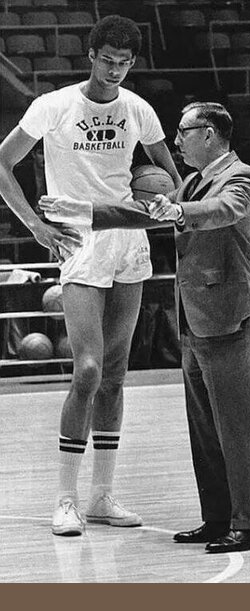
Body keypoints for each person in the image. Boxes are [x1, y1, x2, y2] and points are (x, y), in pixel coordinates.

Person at [40, 101, 250, 554]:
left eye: (183, 131)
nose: (176, 141)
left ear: (209, 134)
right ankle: (217, 517)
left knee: (237, 431)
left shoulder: (242, 177)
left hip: (232, 318)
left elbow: (222, 211)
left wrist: (180, 212)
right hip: (195, 320)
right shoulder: (191, 182)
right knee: (204, 432)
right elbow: (141, 215)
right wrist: (83, 211)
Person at [0, 15, 181, 537]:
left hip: (130, 241)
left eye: (124, 64)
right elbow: (3, 161)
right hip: (80, 242)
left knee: (118, 372)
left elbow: (169, 176)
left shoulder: (138, 110)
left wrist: (160, 198)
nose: (115, 71)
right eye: (107, 61)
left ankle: (102, 496)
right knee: (88, 370)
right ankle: (65, 498)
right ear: (91, 55)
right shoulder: (53, 106)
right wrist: (35, 225)